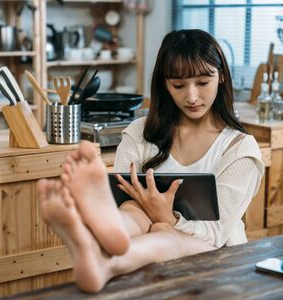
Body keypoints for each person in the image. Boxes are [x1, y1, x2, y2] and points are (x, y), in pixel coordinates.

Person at [37, 29, 264, 293]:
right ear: (164, 84)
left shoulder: (239, 148)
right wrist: (141, 212)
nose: (191, 96)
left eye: (202, 82)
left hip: (220, 259)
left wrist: (166, 217)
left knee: (162, 230)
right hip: (147, 245)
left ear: (221, 75)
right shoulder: (140, 132)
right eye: (178, 85)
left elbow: (216, 233)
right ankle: (99, 242)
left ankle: (97, 249)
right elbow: (120, 195)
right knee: (131, 207)